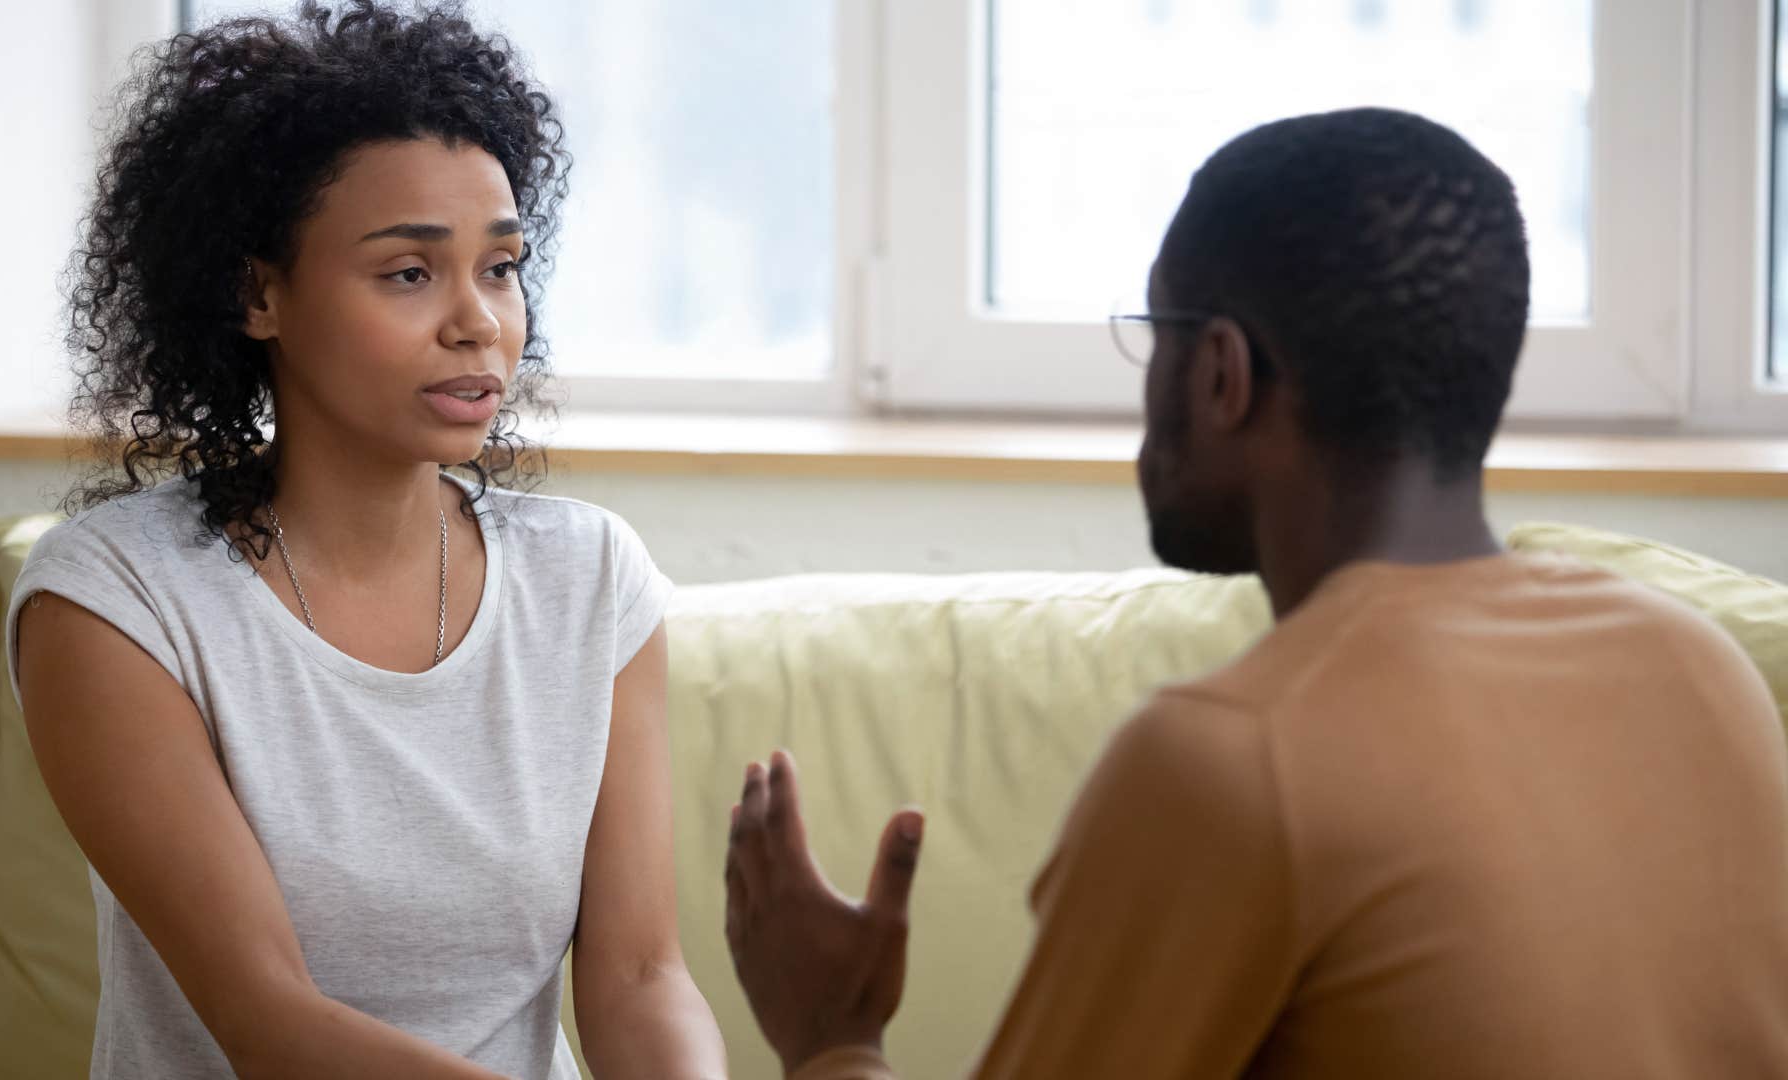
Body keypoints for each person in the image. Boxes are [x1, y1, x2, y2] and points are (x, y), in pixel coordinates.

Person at [723, 107, 1788, 1078]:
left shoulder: (1231, 764)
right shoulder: (1701, 668)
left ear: (1222, 373)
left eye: (1155, 335)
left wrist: (834, 1034)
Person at [10, 3, 725, 1077]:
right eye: (409, 273)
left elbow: (640, 979)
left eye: (501, 267)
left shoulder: (590, 577)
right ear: (260, 294)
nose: (478, 321)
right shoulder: (115, 600)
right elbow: (270, 1024)